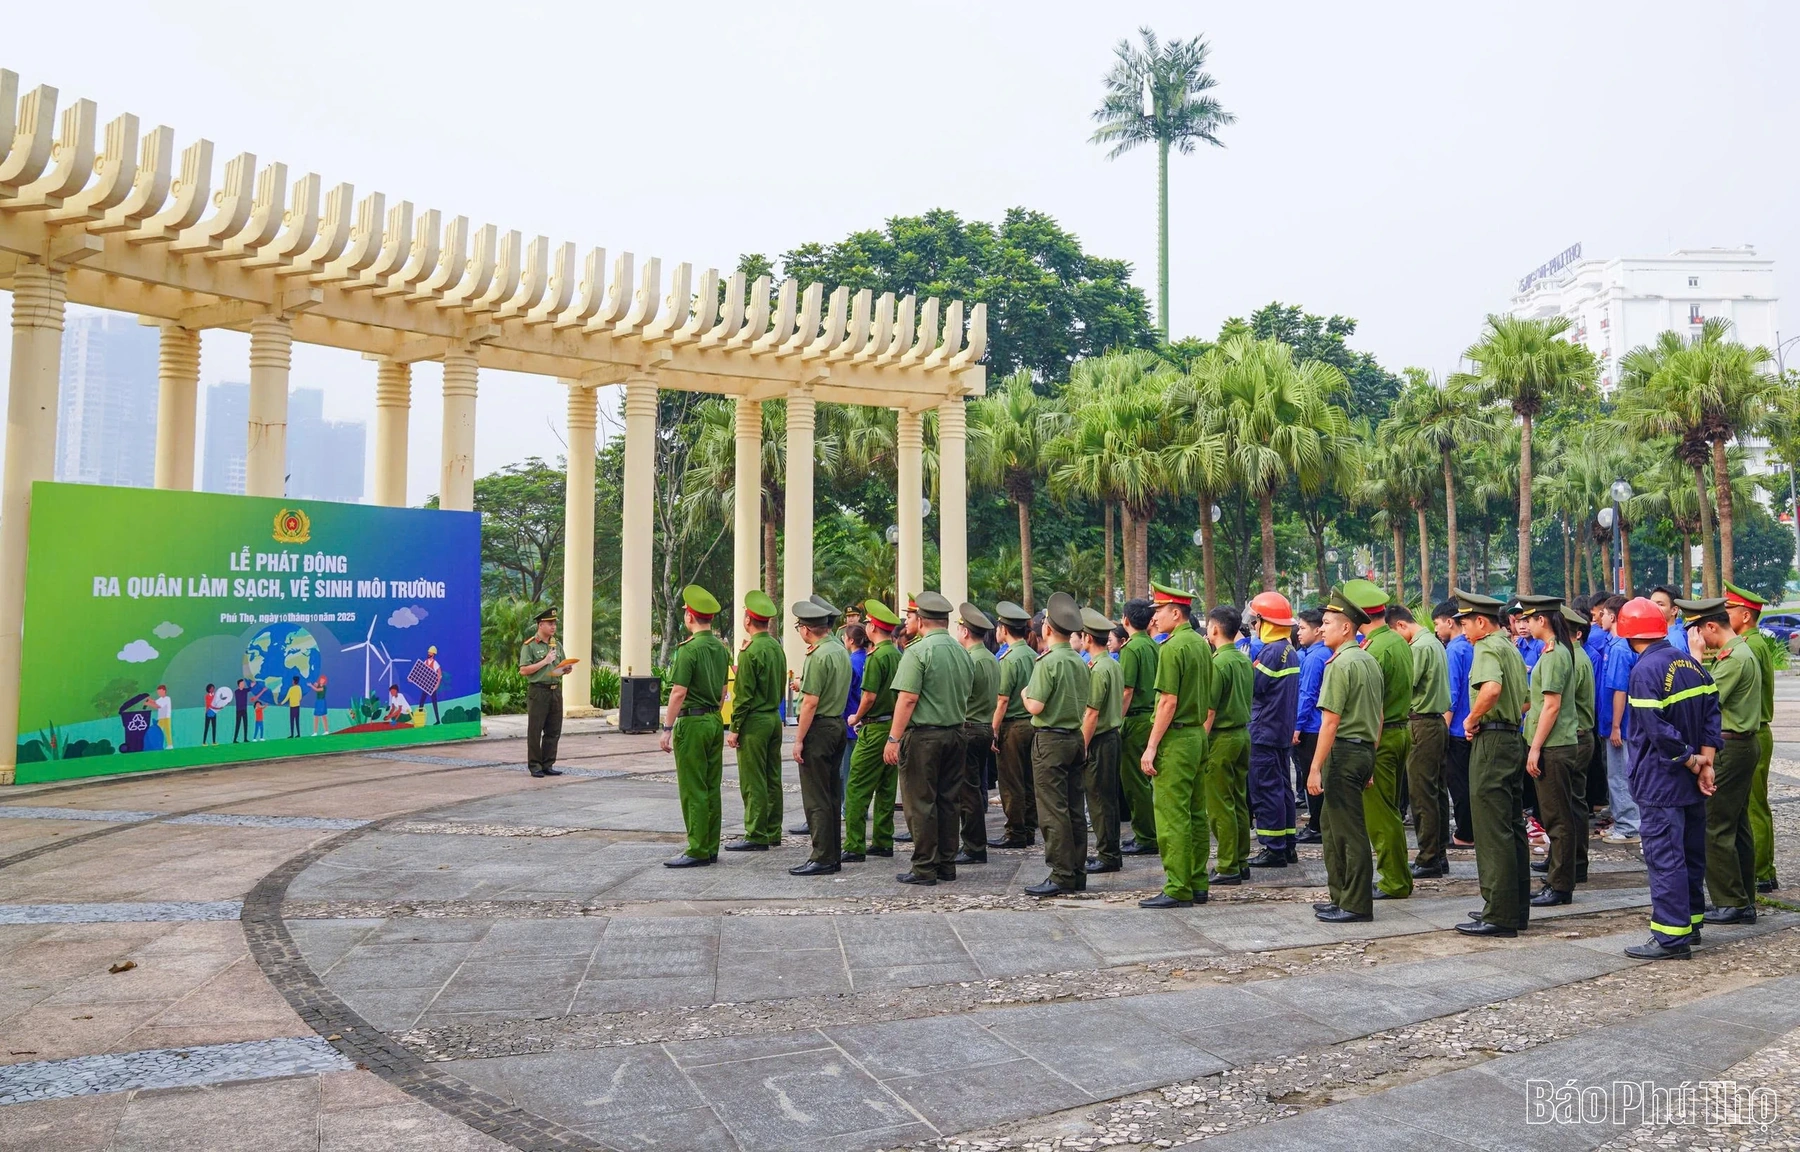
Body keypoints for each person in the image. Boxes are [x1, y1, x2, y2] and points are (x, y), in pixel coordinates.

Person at [1617, 595, 1719, 961]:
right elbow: (1712, 714)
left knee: (1666, 857)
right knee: (1690, 853)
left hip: (1661, 781)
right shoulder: (1690, 663)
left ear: (1629, 634)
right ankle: (1690, 924)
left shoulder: (1645, 671)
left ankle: (1670, 937)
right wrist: (1706, 763)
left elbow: (1657, 730)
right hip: (1690, 782)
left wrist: (1691, 761)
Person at [1454, 591, 1533, 938]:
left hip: (1493, 742)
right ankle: (1515, 909)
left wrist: (1472, 719)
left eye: (1465, 623)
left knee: (1491, 828)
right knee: (1512, 826)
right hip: (1512, 738)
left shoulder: (1487, 647)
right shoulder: (1511, 648)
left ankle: (1498, 913)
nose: (1463, 630)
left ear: (1481, 622)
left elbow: (1490, 690)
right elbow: (1526, 700)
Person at [886, 591, 974, 886]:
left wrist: (893, 739)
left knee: (920, 803)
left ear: (921, 620)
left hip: (924, 737)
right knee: (948, 802)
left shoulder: (918, 651)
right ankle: (946, 865)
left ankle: (924, 866)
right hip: (955, 733)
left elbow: (908, 698)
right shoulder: (962, 651)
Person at [1308, 588, 1382, 923]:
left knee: (1349, 832)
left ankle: (1355, 904)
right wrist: (1370, 761)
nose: (1321, 628)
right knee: (1332, 826)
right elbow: (1378, 716)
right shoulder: (1368, 660)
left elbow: (1330, 721)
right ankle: (1340, 895)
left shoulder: (1340, 664)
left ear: (1346, 628)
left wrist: (1314, 768)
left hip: (1344, 752)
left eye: (1327, 623)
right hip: (1362, 750)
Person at [1138, 582, 1213, 910]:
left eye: (1159, 611)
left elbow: (1168, 701)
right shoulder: (1199, 643)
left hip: (1176, 739)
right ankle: (1197, 882)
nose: (1154, 618)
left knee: (1172, 815)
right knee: (1196, 813)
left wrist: (1151, 746)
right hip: (1196, 735)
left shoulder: (1171, 648)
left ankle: (1178, 886)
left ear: (1175, 613)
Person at [1687, 595, 1761, 926]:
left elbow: (1705, 699)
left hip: (1730, 747)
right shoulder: (1739, 652)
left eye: (1699, 632)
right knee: (1737, 825)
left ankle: (1730, 901)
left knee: (1715, 825)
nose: (1699, 639)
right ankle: (1743, 898)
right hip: (1741, 745)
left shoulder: (1733, 658)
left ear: (1711, 627)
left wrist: (1695, 659)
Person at [1343, 579, 1413, 901]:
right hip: (1400, 731)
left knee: (1380, 815)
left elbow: (1372, 706)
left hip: (1380, 738)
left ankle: (1394, 880)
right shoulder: (1397, 641)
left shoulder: (1373, 649)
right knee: (1391, 811)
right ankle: (1399, 876)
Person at [1020, 592, 1089, 896]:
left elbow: (1035, 705)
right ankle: (1076, 870)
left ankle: (1061, 873)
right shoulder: (1078, 660)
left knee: (1052, 809)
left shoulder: (1047, 662)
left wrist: (1024, 695)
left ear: (1047, 628)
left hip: (1050, 740)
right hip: (1074, 736)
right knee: (1074, 808)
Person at [1517, 595, 1581, 907]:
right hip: (1554, 744)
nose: (1524, 625)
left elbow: (1551, 706)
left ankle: (1560, 886)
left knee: (1558, 820)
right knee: (1557, 817)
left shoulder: (1555, 655)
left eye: (1528, 619)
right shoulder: (1551, 651)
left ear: (1541, 620)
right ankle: (1557, 880)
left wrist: (1535, 748)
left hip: (1554, 747)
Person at [660, 585, 730, 867]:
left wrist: (667, 728)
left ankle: (697, 849)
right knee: (712, 786)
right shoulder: (721, 649)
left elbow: (679, 692)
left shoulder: (688, 650)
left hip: (692, 722)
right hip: (714, 719)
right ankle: (711, 847)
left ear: (689, 616)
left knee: (693, 787)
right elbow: (724, 690)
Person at [1723, 584, 1780, 894]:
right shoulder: (1754, 643)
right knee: (1754, 805)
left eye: (1729, 610)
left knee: (1753, 807)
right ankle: (1763, 870)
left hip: (1752, 729)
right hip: (1757, 729)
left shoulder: (1749, 646)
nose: (1725, 616)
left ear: (1745, 616)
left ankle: (1760, 871)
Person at [789, 599, 852, 876]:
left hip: (819, 728)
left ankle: (822, 857)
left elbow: (810, 702)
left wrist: (798, 739)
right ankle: (832, 854)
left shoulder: (817, 655)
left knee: (816, 797)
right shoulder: (838, 649)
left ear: (806, 629)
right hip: (837, 724)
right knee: (832, 794)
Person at [1389, 604, 1450, 877]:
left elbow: (1403, 686)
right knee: (1436, 792)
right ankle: (1438, 853)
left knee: (1422, 794)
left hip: (1421, 724)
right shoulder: (1433, 642)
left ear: (1401, 626)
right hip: (1434, 723)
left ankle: (1428, 858)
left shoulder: (1419, 648)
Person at [725, 591, 785, 852]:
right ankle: (773, 830)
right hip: (773, 717)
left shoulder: (749, 652)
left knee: (753, 779)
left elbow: (743, 695)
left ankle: (756, 833)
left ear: (748, 620)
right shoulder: (776, 648)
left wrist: (735, 728)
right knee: (773, 776)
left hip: (755, 721)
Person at [843, 601, 903, 862]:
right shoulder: (897, 654)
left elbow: (868, 696)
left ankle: (854, 844)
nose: (866, 626)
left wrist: (856, 716)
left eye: (868, 623)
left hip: (875, 726)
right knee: (887, 788)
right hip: (893, 725)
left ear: (874, 628)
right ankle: (883, 840)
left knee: (857, 786)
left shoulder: (876, 656)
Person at [1247, 591, 1301, 868]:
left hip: (1264, 731)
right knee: (1282, 789)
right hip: (1279, 730)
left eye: (1255, 621)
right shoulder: (1289, 650)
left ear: (1265, 622)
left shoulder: (1270, 652)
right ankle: (1287, 844)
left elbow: (1253, 686)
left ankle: (1273, 848)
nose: (1254, 627)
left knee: (1266, 789)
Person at [1203, 604, 1253, 885]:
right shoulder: (1243, 659)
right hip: (1242, 735)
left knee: (1219, 804)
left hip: (1221, 738)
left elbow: (1209, 711)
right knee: (1238, 800)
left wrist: (1201, 743)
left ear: (1213, 629)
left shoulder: (1218, 663)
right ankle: (1241, 860)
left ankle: (1227, 865)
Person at [990, 601, 1039, 849]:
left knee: (1011, 782)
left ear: (1004, 629)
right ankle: (1028, 828)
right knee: (1029, 780)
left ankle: (1015, 831)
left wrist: (994, 729)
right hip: (1032, 723)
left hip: (1013, 727)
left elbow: (1002, 699)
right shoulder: (1033, 655)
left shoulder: (1008, 659)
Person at [1079, 607, 1125, 875]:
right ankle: (1110, 851)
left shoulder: (1098, 669)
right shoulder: (1112, 664)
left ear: (1087, 638)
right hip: (1111, 736)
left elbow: (1092, 713)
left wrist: (1082, 746)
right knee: (1107, 798)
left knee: (1098, 799)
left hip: (1099, 739)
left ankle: (1107, 854)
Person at [956, 604, 1000, 865]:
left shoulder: (969, 659)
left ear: (965, 632)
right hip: (984, 727)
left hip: (970, 728)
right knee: (974, 788)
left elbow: (959, 695)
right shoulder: (991, 658)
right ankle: (974, 844)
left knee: (967, 792)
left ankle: (973, 847)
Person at [1116, 597, 1160, 856]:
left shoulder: (1131, 649)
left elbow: (1126, 691)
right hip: (1151, 717)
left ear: (1125, 620)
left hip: (1135, 719)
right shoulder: (1154, 645)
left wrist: (1116, 721)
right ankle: (1149, 831)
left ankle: (1146, 836)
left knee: (1134, 781)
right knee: (1147, 780)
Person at [1560, 605, 1597, 888]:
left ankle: (1574, 863)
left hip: (1576, 737)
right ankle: (1569, 860)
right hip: (1579, 736)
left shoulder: (1574, 659)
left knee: (1571, 804)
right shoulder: (1574, 656)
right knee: (1572, 802)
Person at [1601, 593, 1642, 845]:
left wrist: (1616, 726)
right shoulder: (1620, 644)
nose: (1601, 618)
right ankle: (1623, 821)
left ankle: (1628, 826)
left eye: (1604, 614)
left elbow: (1620, 690)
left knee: (1619, 775)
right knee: (1618, 774)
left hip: (1621, 725)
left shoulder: (1619, 647)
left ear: (1614, 617)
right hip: (1620, 724)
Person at [1438, 601, 1476, 848]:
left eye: (1437, 623)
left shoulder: (1454, 650)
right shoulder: (1472, 646)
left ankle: (1464, 833)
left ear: (1450, 622)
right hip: (1472, 726)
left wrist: (1443, 730)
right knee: (1470, 782)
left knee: (1459, 784)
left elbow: (1450, 694)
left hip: (1456, 728)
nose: (1436, 629)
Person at [519, 608, 571, 777]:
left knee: (554, 730)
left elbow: (561, 665)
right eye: (550, 623)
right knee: (535, 730)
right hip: (539, 691)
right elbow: (523, 670)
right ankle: (535, 765)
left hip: (555, 691)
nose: (553, 626)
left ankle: (548, 764)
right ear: (540, 625)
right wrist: (545, 661)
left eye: (554, 623)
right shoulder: (530, 645)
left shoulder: (557, 644)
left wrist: (566, 669)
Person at [1293, 609, 1329, 844]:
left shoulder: (1315, 657)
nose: (1298, 632)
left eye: (1303, 628)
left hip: (1312, 727)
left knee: (1313, 778)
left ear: (1317, 631)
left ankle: (1316, 825)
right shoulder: (1319, 653)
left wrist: (1296, 726)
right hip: (1318, 725)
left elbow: (1307, 695)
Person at [1648, 585, 1689, 656]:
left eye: (1660, 604)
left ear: (1674, 610)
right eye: (1651, 604)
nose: (1653, 608)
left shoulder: (1674, 640)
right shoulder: (1656, 636)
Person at [419, 645, 444, 722]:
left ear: (433, 654)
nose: (429, 654)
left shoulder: (435, 663)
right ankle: (419, 718)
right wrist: (412, 679)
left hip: (432, 686)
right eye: (428, 652)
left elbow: (439, 675)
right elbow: (420, 672)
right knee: (422, 701)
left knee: (434, 702)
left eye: (430, 652)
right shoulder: (425, 662)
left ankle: (437, 720)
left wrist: (437, 685)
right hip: (426, 685)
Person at [231, 678, 250, 743]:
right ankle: (234, 739)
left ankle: (245, 738)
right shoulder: (236, 692)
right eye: (242, 683)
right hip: (239, 710)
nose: (243, 684)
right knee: (238, 725)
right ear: (239, 684)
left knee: (245, 724)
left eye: (243, 683)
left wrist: (252, 684)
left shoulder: (245, 690)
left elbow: (250, 688)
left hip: (244, 710)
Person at [155, 684, 174, 748]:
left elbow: (158, 706)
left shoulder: (167, 698)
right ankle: (158, 744)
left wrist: (149, 703)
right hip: (160, 718)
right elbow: (155, 703)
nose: (159, 693)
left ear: (164, 691)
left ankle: (170, 745)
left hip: (166, 717)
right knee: (158, 731)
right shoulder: (159, 699)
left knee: (167, 731)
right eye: (158, 692)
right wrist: (149, 702)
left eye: (160, 692)